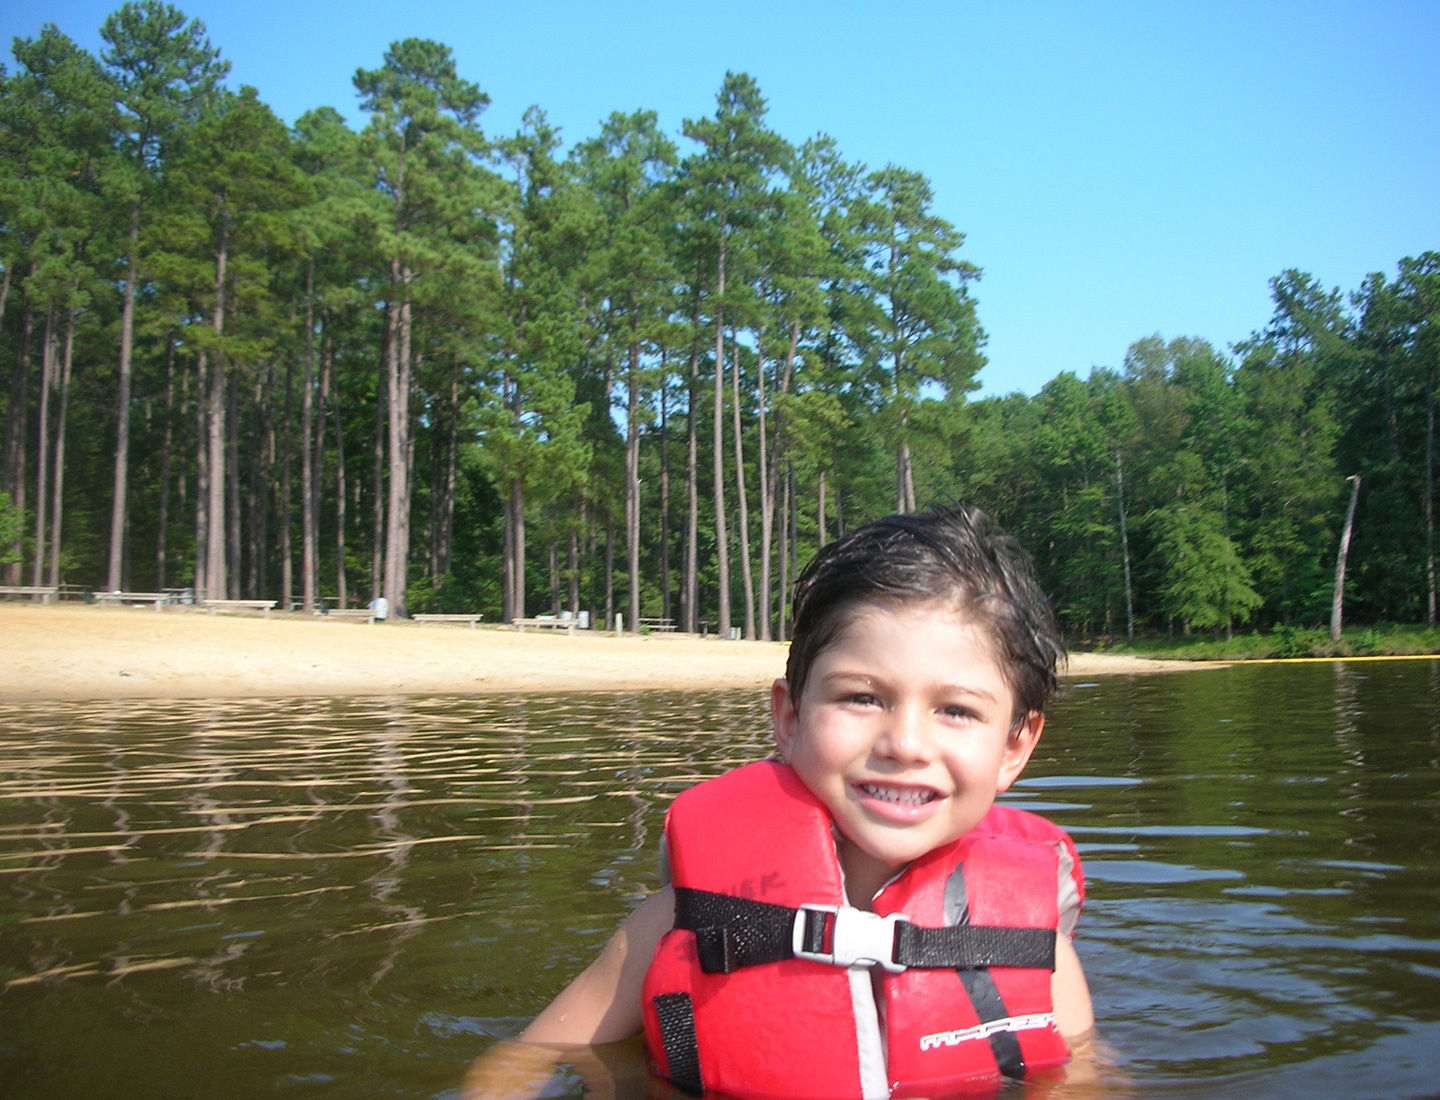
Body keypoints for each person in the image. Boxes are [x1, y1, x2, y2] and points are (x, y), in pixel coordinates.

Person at [466, 506, 1094, 1099]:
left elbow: (1085, 1079)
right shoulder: (678, 923)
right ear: (790, 718)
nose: (905, 744)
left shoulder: (1033, 946)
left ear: (1015, 746)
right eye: (862, 698)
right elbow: (524, 1060)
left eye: (956, 711)